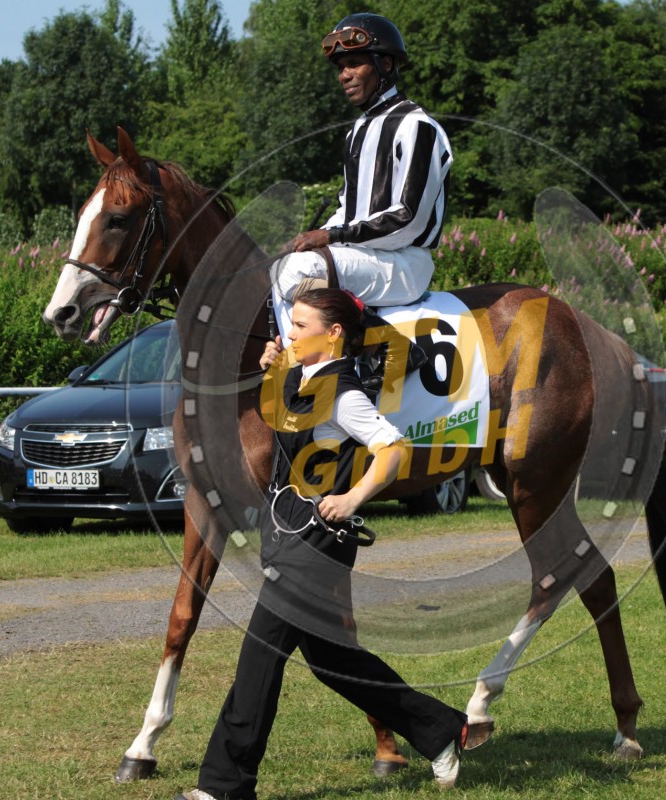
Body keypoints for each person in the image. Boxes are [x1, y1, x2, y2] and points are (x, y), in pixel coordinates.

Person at [175, 288, 467, 800]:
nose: (289, 332)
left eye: (300, 325)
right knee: (333, 661)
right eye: (290, 323)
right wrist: (273, 367)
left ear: (333, 334)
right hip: (287, 535)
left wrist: (353, 497)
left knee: (259, 658)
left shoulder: (344, 395)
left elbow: (393, 448)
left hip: (314, 545)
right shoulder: (304, 375)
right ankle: (441, 730)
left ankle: (224, 786)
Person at [269, 12, 453, 390]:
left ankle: (388, 349)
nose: (344, 75)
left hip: (405, 262)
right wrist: (313, 236)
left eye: (354, 63)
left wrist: (333, 237)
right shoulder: (357, 131)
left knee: (297, 271)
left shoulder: (417, 126)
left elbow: (409, 219)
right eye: (340, 67)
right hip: (367, 257)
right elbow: (347, 208)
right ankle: (302, 363)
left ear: (385, 65)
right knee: (277, 266)